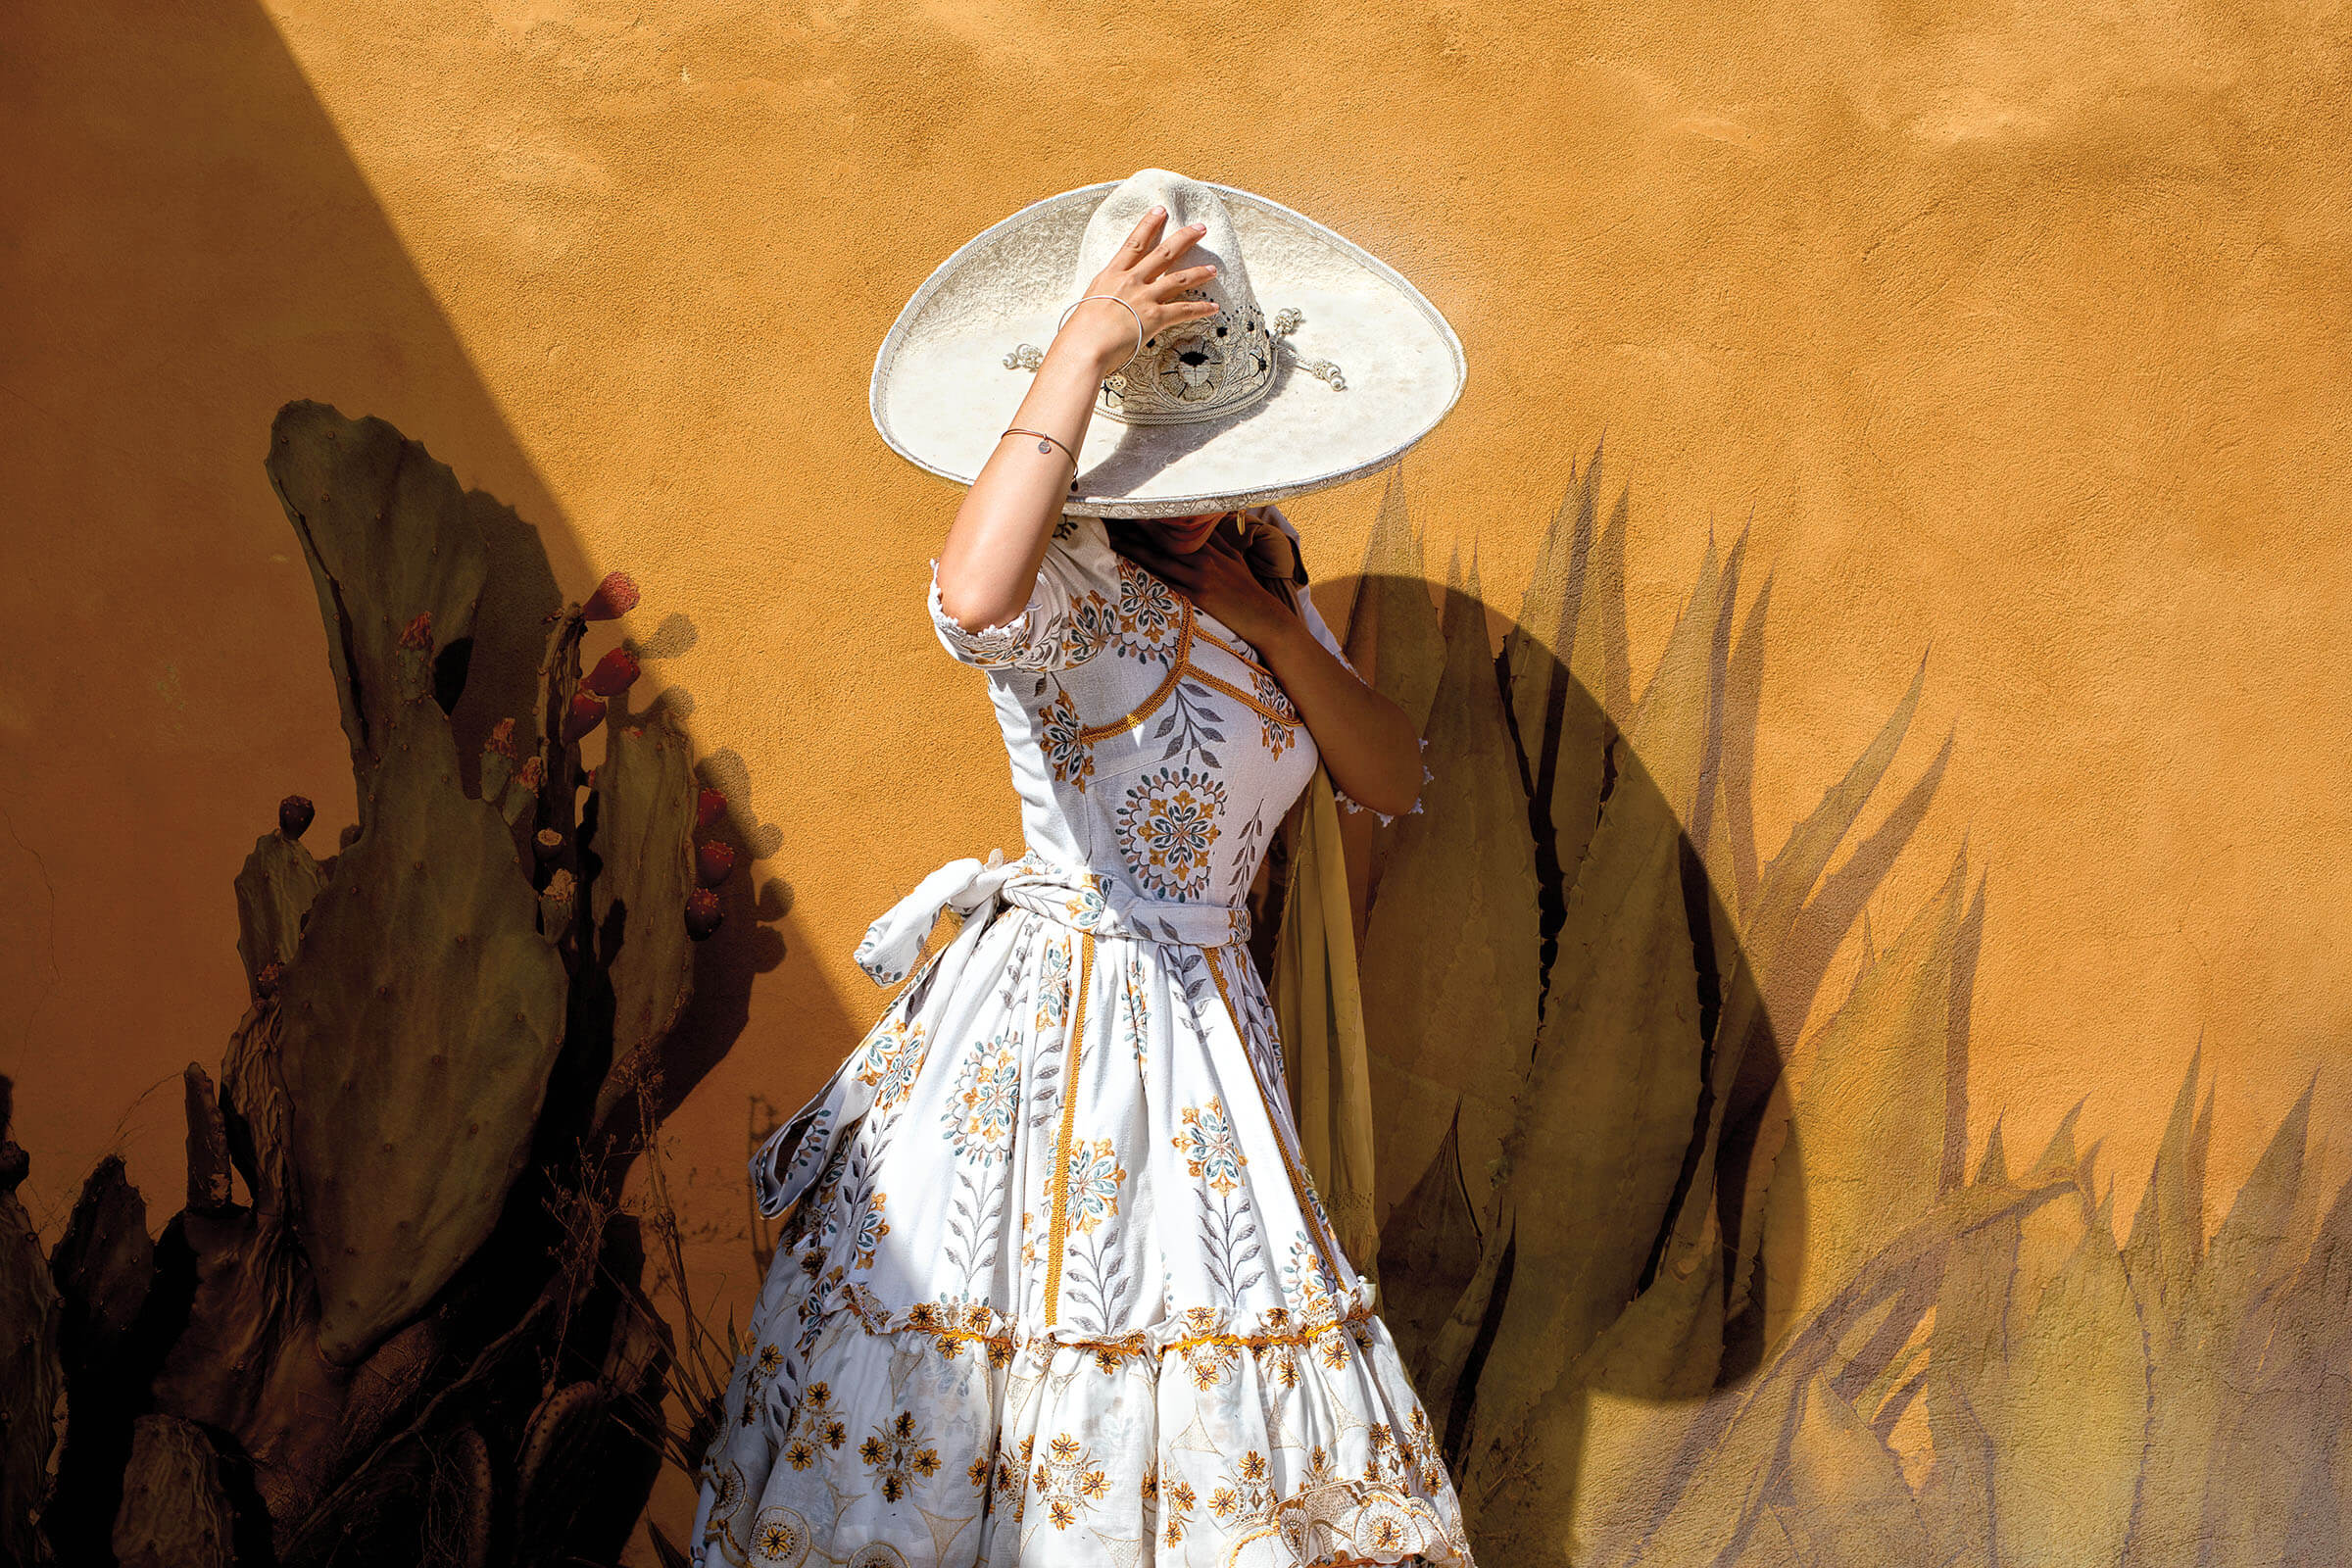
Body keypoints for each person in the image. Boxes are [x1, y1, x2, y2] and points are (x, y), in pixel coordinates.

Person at [692, 169, 1473, 1568]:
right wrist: (1080, 349)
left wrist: (1277, 620)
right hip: (1054, 1036)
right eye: (1165, 453)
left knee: (1217, 1389)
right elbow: (968, 596)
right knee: (1006, 1397)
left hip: (1214, 1042)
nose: (1193, 503)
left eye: (1216, 462)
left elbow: (1393, 776)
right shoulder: (1060, 571)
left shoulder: (1261, 566)